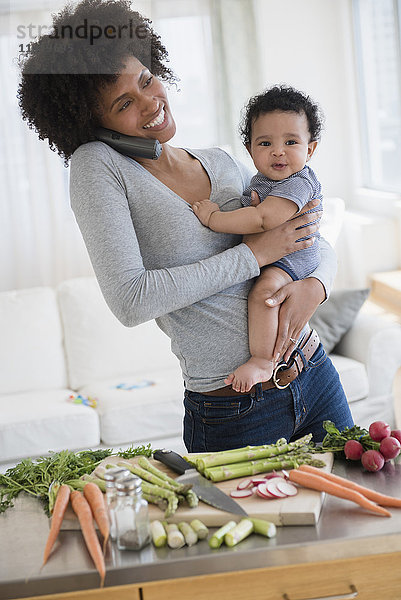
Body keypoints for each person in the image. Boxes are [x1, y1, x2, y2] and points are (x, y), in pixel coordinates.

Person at [17, 0, 353, 452]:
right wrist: (253, 255)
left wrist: (318, 285)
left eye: (146, 80)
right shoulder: (98, 166)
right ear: (92, 124)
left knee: (359, 516)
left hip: (314, 373)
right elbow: (131, 300)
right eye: (124, 103)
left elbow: (306, 230)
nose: (150, 102)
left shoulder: (221, 159)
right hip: (234, 406)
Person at [192, 86, 324, 394]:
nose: (278, 151)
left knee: (264, 293)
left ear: (310, 148)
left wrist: (215, 218)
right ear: (250, 150)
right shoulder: (263, 180)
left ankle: (263, 360)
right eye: (265, 143)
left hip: (293, 258)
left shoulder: (299, 181)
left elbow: (265, 219)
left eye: (291, 141)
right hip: (280, 253)